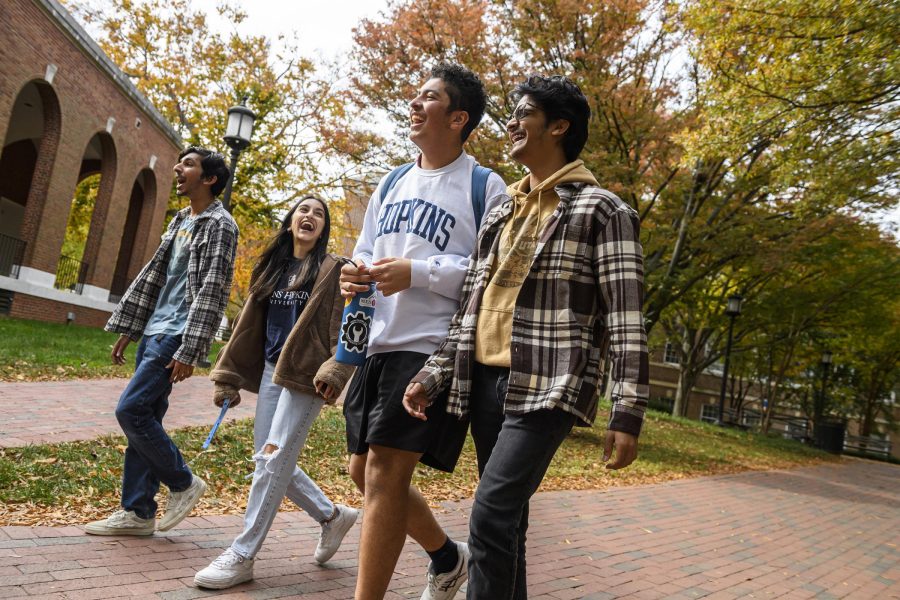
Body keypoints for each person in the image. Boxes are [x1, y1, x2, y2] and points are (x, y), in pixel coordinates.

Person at [404, 75, 650, 599]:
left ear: (558, 126)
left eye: (525, 114)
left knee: (489, 513)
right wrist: (436, 371)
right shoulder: (502, 210)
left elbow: (627, 321)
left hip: (551, 383)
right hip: (487, 381)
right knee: (507, 521)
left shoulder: (602, 211)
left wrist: (626, 413)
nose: (511, 123)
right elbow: (471, 305)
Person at [339, 62, 506, 600]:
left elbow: (492, 271)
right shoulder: (391, 179)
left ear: (458, 118)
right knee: (362, 472)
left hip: (430, 350)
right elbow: (367, 246)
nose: (414, 104)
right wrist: (354, 271)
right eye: (415, 96)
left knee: (385, 474)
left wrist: (419, 273)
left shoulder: (485, 186)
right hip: (377, 343)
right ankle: (448, 557)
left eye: (428, 98)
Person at [193, 196, 359, 589]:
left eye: (319, 214)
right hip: (271, 370)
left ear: (323, 228)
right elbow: (247, 326)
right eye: (304, 210)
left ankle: (243, 554)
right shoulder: (272, 268)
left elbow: (350, 320)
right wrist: (228, 376)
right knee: (268, 460)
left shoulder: (333, 268)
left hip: (306, 374)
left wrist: (337, 369)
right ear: (289, 222)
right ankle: (333, 516)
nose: (310, 216)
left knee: (273, 459)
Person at [85, 146, 238, 536]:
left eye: (189, 165)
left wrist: (191, 347)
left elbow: (213, 289)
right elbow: (156, 279)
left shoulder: (220, 224)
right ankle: (138, 512)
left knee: (131, 411)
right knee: (146, 418)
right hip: (155, 328)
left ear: (210, 179)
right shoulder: (180, 220)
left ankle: (184, 482)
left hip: (176, 333)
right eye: (179, 162)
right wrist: (132, 328)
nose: (177, 168)